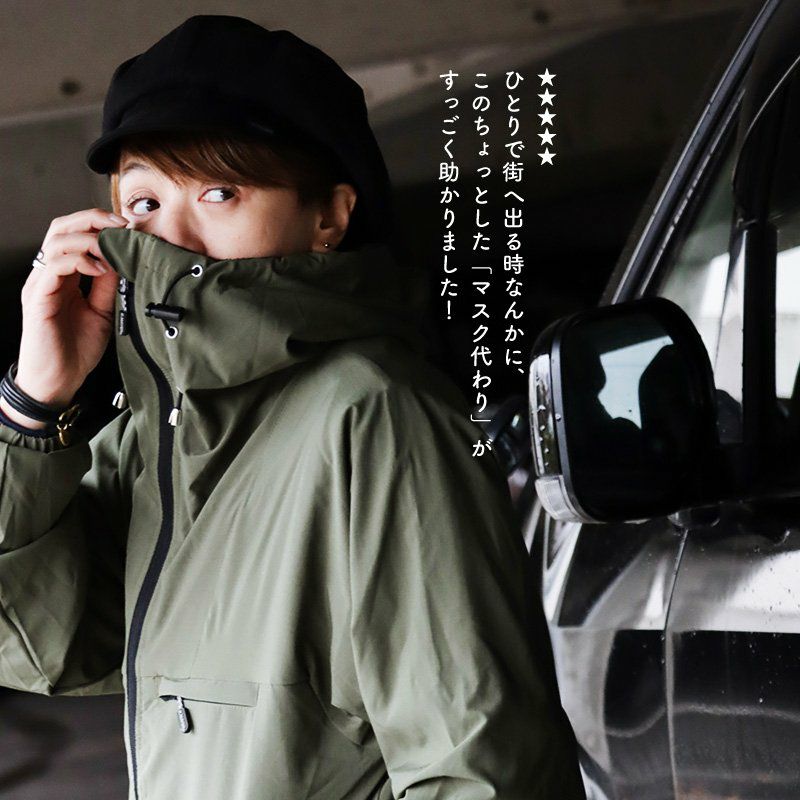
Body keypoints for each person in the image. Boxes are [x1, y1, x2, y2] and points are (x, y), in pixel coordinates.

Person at [0, 15, 585, 800]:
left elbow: (482, 771)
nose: (171, 237)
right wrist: (35, 405)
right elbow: (33, 642)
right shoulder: (158, 438)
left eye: (219, 192)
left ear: (328, 217)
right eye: (142, 201)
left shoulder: (375, 419)